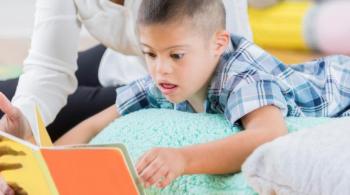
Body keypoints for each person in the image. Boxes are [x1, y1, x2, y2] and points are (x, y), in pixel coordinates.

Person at [55, 0, 350, 189]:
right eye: (149, 53)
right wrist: (48, 162)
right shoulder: (165, 77)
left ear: (218, 44)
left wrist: (183, 159)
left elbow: (268, 134)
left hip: (341, 84)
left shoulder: (241, 75)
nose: (161, 70)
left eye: (176, 55)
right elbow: (99, 122)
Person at [0, 0, 252, 143]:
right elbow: (49, 67)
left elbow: (227, 62)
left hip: (173, 85)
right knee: (9, 103)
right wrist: (24, 125)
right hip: (122, 60)